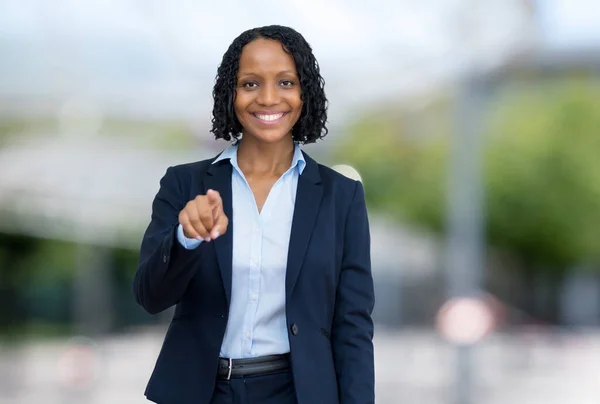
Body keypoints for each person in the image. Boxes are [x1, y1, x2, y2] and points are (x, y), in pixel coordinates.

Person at [133, 25, 375, 404]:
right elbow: (149, 296)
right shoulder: (184, 184)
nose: (267, 98)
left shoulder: (341, 196)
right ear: (230, 93)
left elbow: (353, 325)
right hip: (202, 392)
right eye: (250, 84)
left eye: (285, 82)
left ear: (304, 92)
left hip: (297, 392)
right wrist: (187, 238)